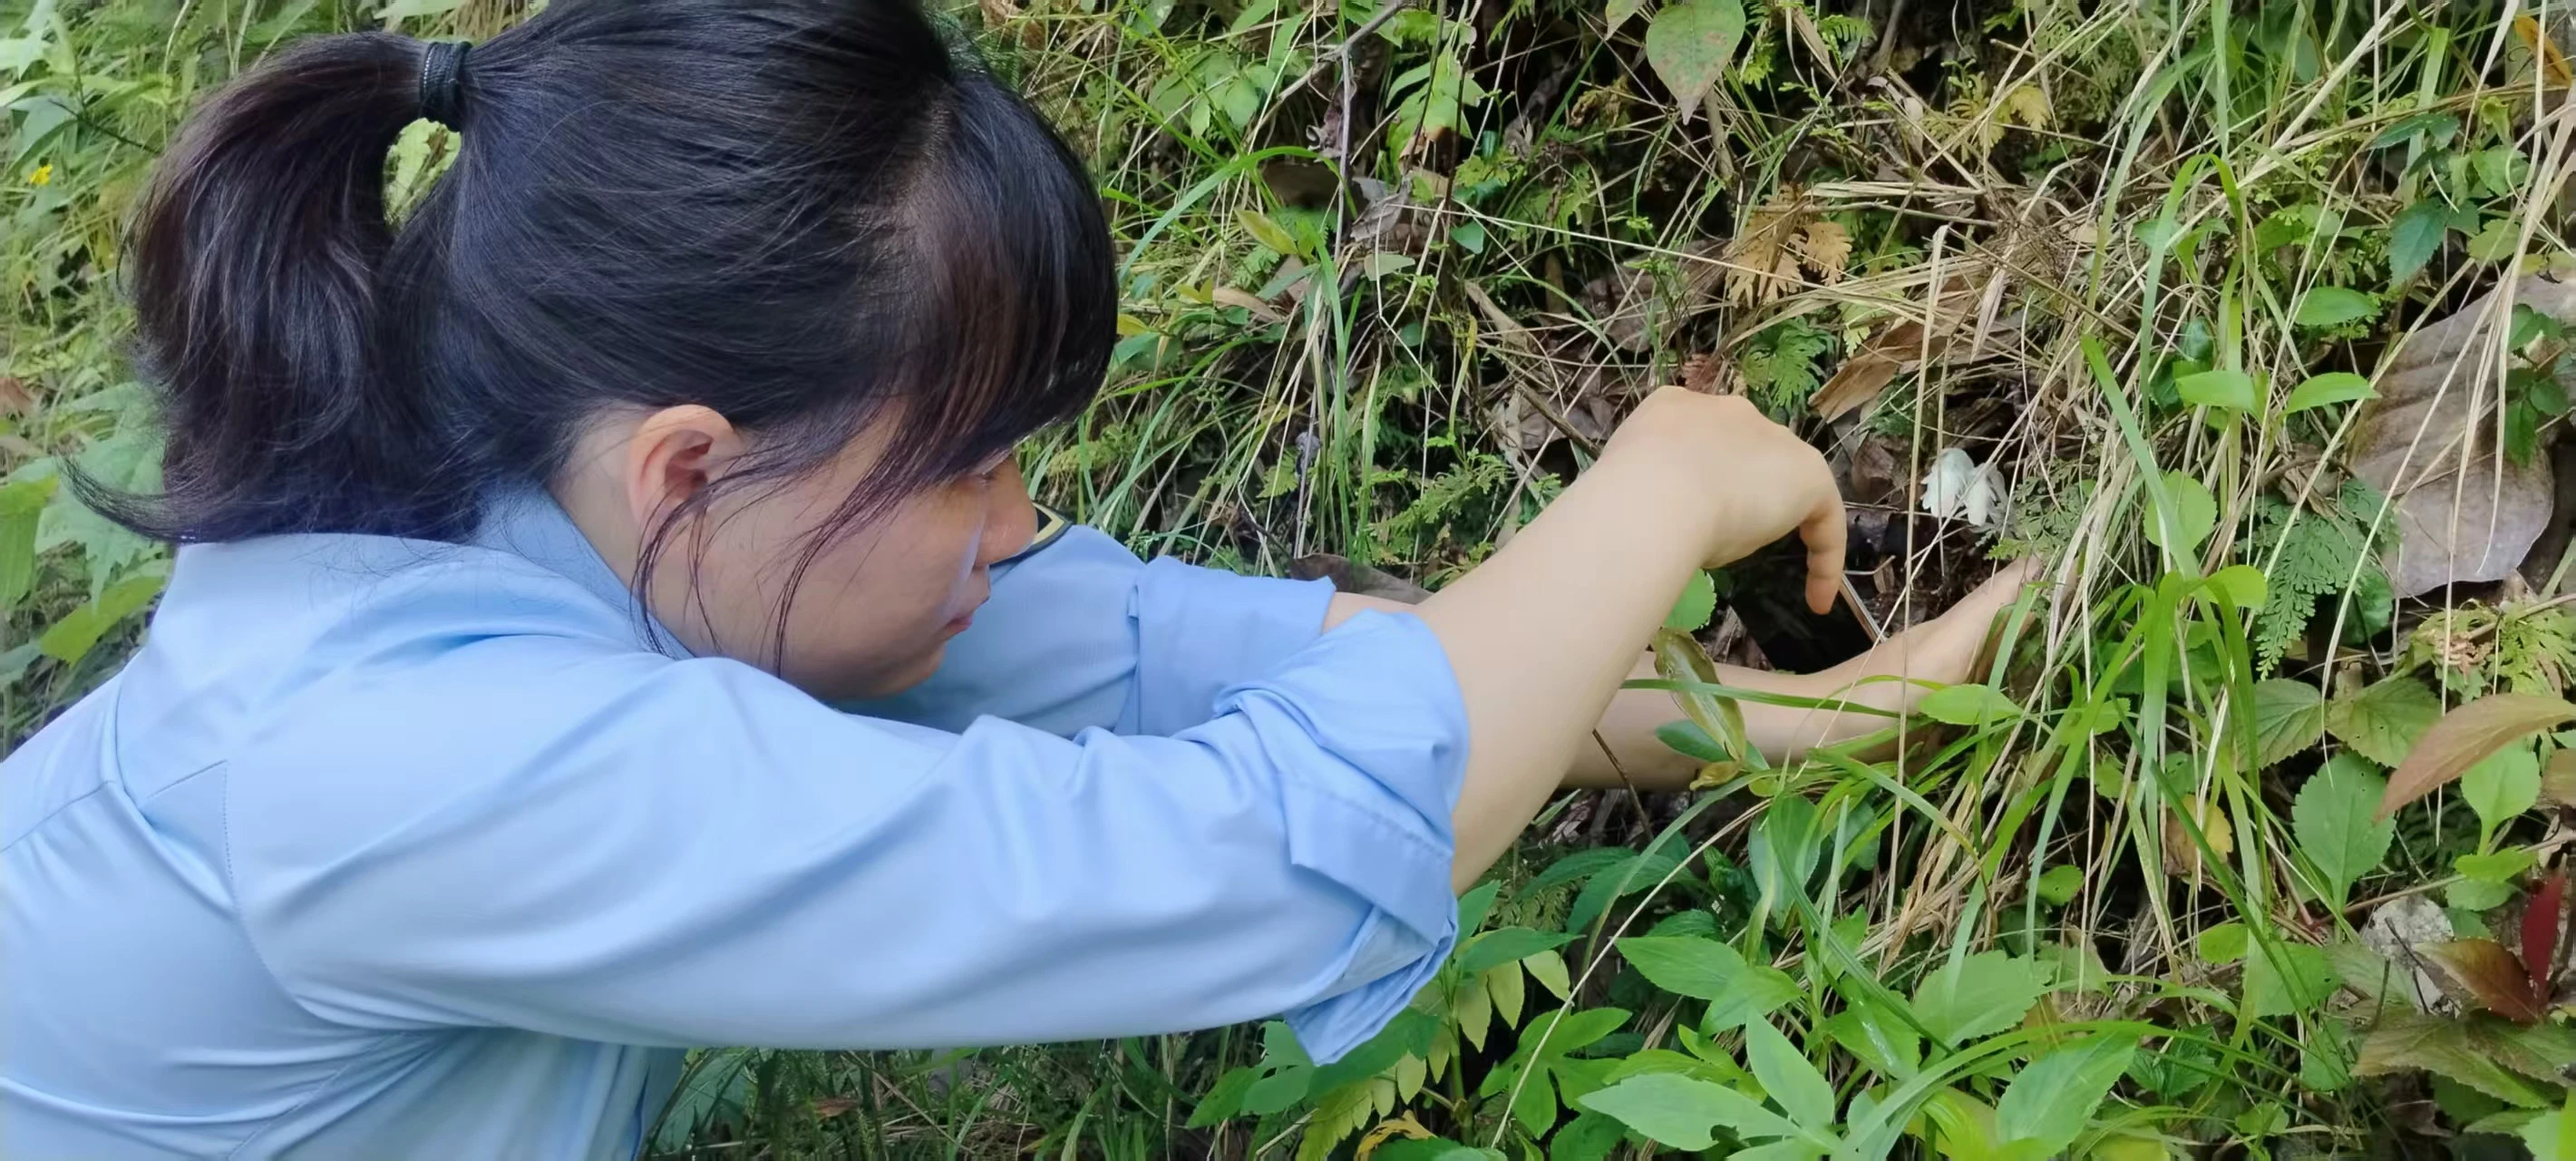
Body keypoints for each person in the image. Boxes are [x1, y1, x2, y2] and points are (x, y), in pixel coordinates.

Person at [0, 1, 2028, 1156]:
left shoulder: (574, 532)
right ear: (691, 462)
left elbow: (1245, 672)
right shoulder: (409, 766)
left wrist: (1807, 717)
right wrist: (1660, 476)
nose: (1016, 521)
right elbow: (1253, 849)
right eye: (967, 457)